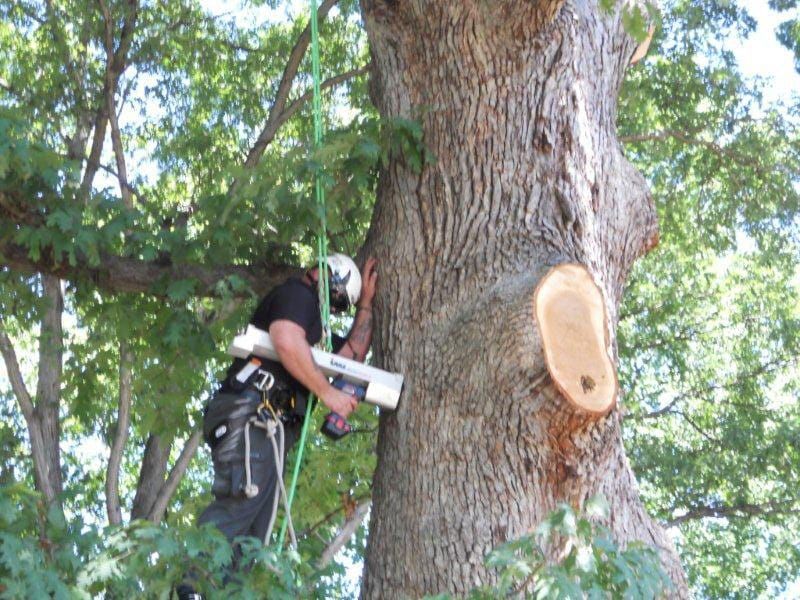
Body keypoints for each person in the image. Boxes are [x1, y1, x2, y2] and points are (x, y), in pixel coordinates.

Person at [177, 254, 377, 599]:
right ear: (332, 280)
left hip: (269, 425)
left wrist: (366, 307)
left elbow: (351, 355)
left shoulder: (312, 335)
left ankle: (218, 592)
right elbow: (285, 338)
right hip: (252, 413)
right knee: (242, 497)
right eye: (341, 300)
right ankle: (192, 587)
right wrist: (328, 394)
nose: (334, 309)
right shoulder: (297, 295)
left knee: (253, 534)